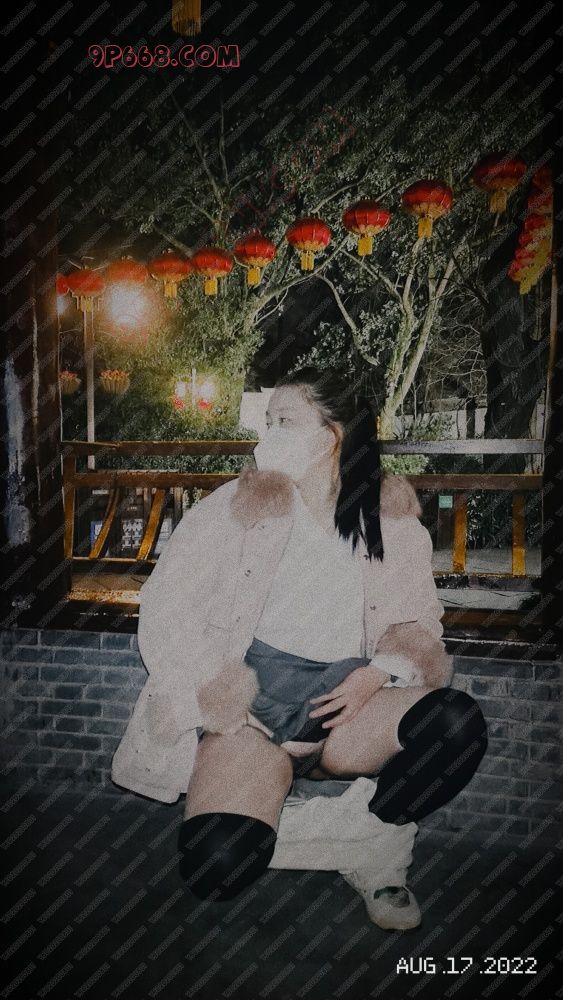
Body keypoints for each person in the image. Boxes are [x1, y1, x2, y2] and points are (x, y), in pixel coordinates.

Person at [174, 367, 488, 926]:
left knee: (456, 725)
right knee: (216, 866)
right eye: (268, 422)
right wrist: (221, 697)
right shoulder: (237, 505)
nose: (266, 436)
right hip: (254, 703)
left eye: (284, 421)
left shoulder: (388, 518)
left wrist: (377, 673)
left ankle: (372, 842)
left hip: (347, 704)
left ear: (331, 435)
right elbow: (170, 606)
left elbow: (422, 620)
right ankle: (318, 822)